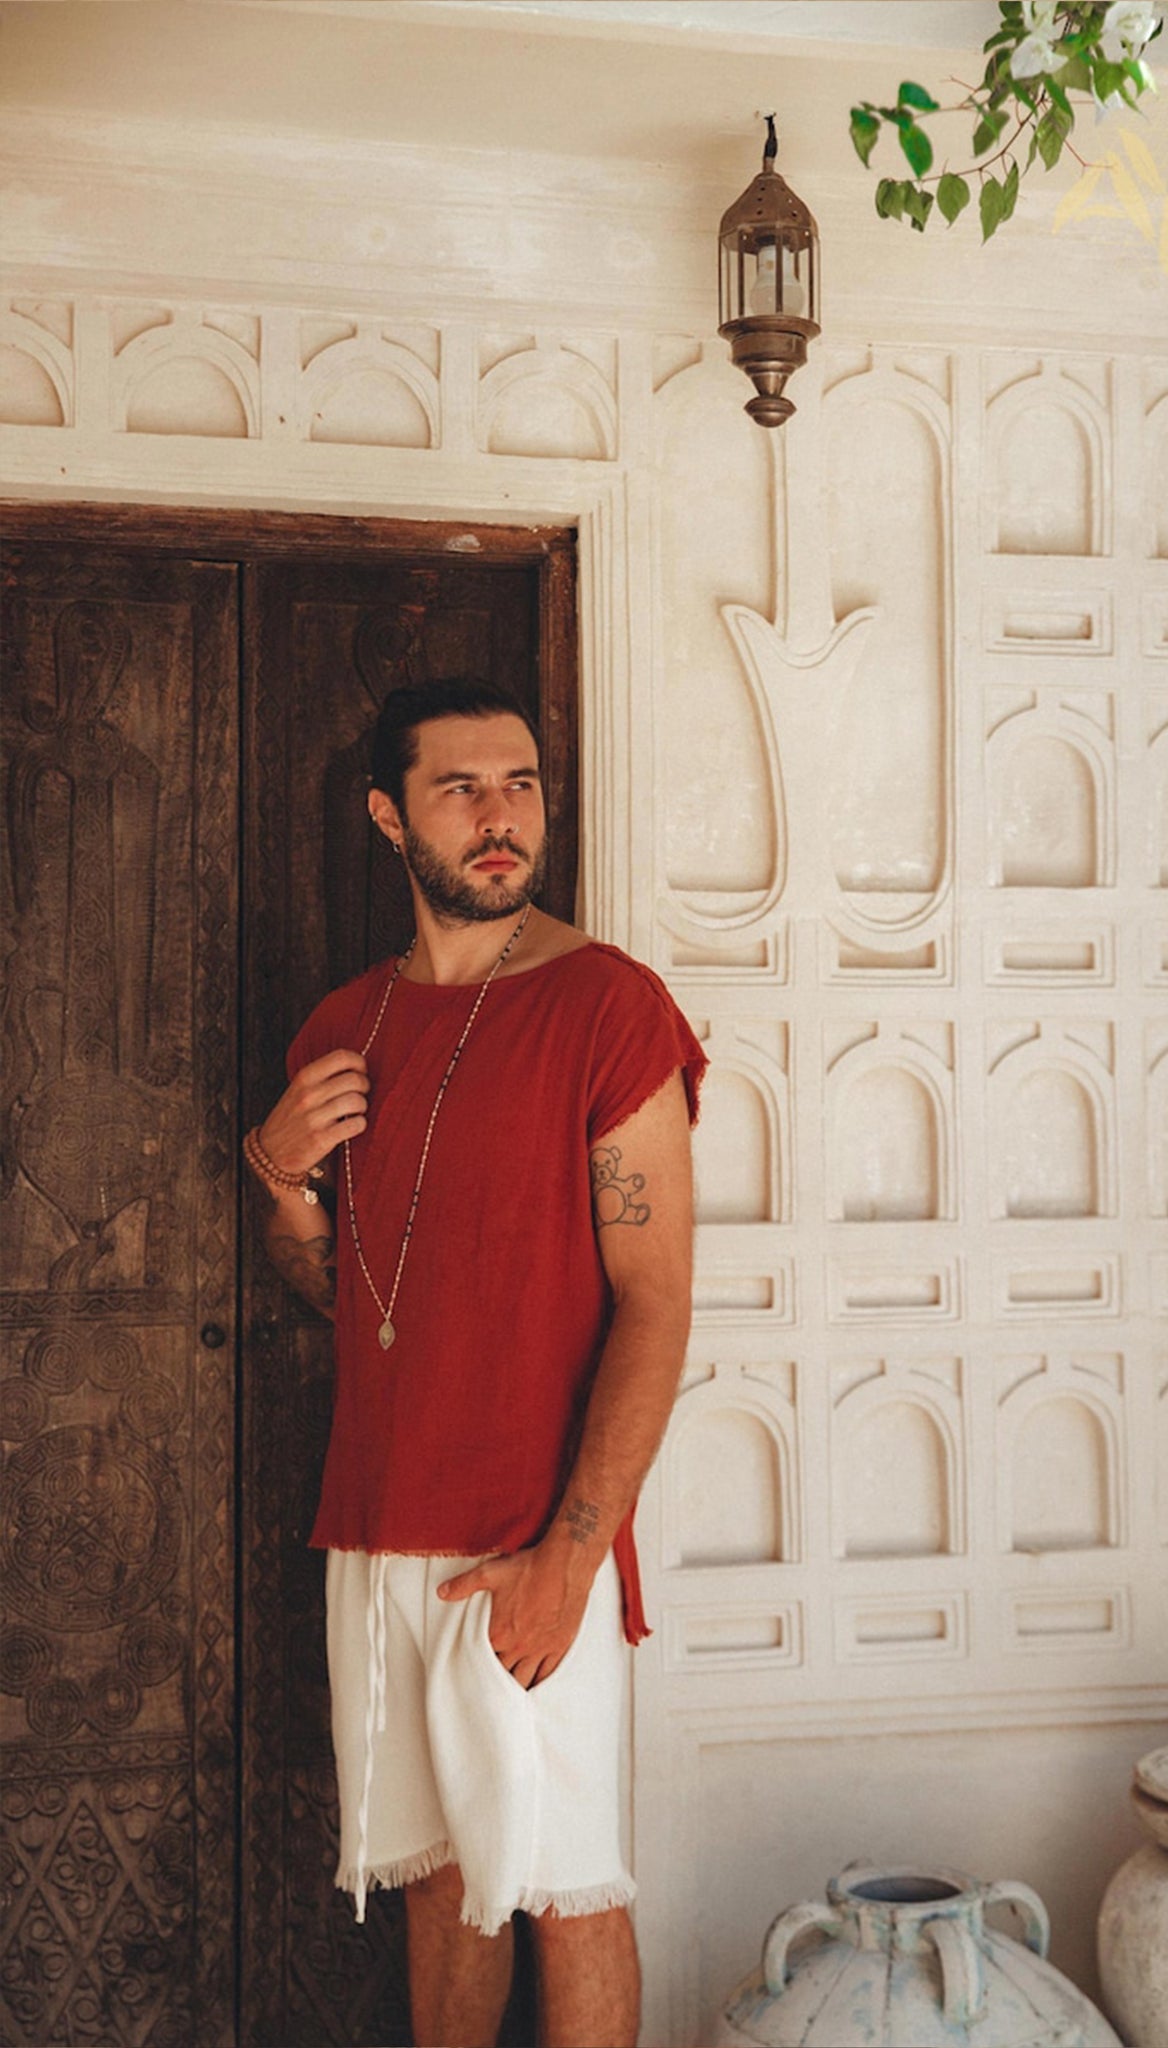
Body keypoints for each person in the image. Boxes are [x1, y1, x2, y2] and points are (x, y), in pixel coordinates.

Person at [243, 677, 705, 2048]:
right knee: (443, 1888)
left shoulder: (610, 1006)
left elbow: (657, 1302)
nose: (499, 817)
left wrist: (572, 1551)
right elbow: (340, 1292)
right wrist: (279, 1183)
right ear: (390, 814)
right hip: (376, 1526)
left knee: (567, 1890)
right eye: (460, 788)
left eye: (519, 785)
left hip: (530, 1531)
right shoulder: (341, 1024)